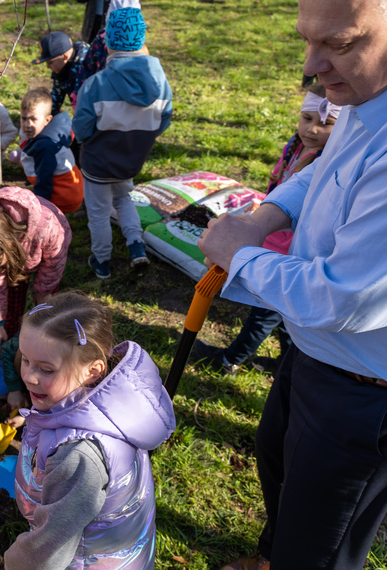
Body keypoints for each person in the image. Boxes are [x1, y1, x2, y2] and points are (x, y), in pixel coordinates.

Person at [197, 0, 387, 567]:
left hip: (361, 389)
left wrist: (242, 255)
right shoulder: (365, 97)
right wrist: (264, 216)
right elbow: (325, 173)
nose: (311, 64)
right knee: (277, 464)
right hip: (314, 355)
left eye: (340, 44)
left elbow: (344, 297)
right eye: (308, 40)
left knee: (320, 542)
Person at [3, 292, 175, 569]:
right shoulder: (108, 405)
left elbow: (49, 551)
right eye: (25, 360)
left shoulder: (77, 456)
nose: (29, 376)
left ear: (92, 371)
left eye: (46, 369)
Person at [195, 84, 341, 376]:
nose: (312, 130)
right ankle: (287, 364)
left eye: (326, 124)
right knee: (284, 319)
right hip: (273, 241)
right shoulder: (296, 147)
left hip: (292, 255)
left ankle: (230, 361)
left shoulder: (328, 163)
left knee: (262, 315)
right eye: (307, 119)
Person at [73, 7, 172, 280]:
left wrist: (87, 141)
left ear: (107, 41)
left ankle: (102, 260)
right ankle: (135, 244)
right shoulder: (161, 82)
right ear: (141, 40)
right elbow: (164, 119)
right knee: (124, 198)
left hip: (98, 163)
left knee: (99, 213)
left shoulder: (95, 85)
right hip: (131, 160)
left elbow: (81, 128)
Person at [0, 187, 72, 354]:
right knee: (13, 300)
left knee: (46, 302)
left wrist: (43, 300)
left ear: (8, 246)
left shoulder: (48, 230)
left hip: (49, 251)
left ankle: (47, 340)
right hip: (17, 255)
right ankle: (11, 340)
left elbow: (51, 270)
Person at [11, 87, 84, 213]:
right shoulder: (48, 134)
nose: (28, 125)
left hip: (63, 198)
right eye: (24, 118)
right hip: (71, 192)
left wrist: (40, 209)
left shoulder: (45, 146)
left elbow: (44, 179)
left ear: (47, 120)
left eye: (33, 119)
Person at [31, 31, 89, 115]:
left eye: (50, 62)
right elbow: (55, 100)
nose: (47, 66)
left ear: (65, 56)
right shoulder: (61, 69)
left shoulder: (85, 68)